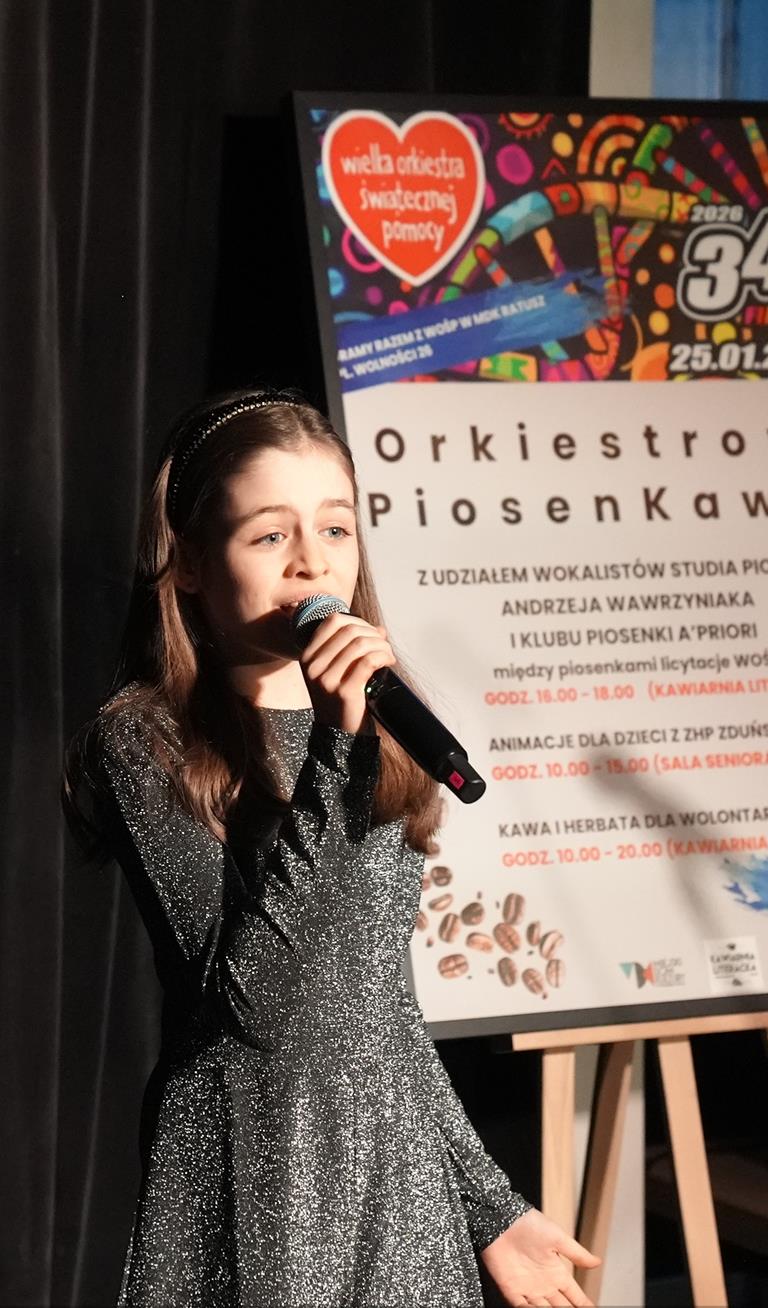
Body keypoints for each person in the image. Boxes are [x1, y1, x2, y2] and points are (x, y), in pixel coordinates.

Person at [63, 388, 600, 1307]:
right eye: (271, 534)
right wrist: (335, 754)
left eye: (336, 529)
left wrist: (491, 1208)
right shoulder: (146, 741)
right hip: (255, 1165)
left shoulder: (373, 731)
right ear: (189, 562)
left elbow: (375, 1009)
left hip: (392, 1171)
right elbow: (261, 1005)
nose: (312, 561)